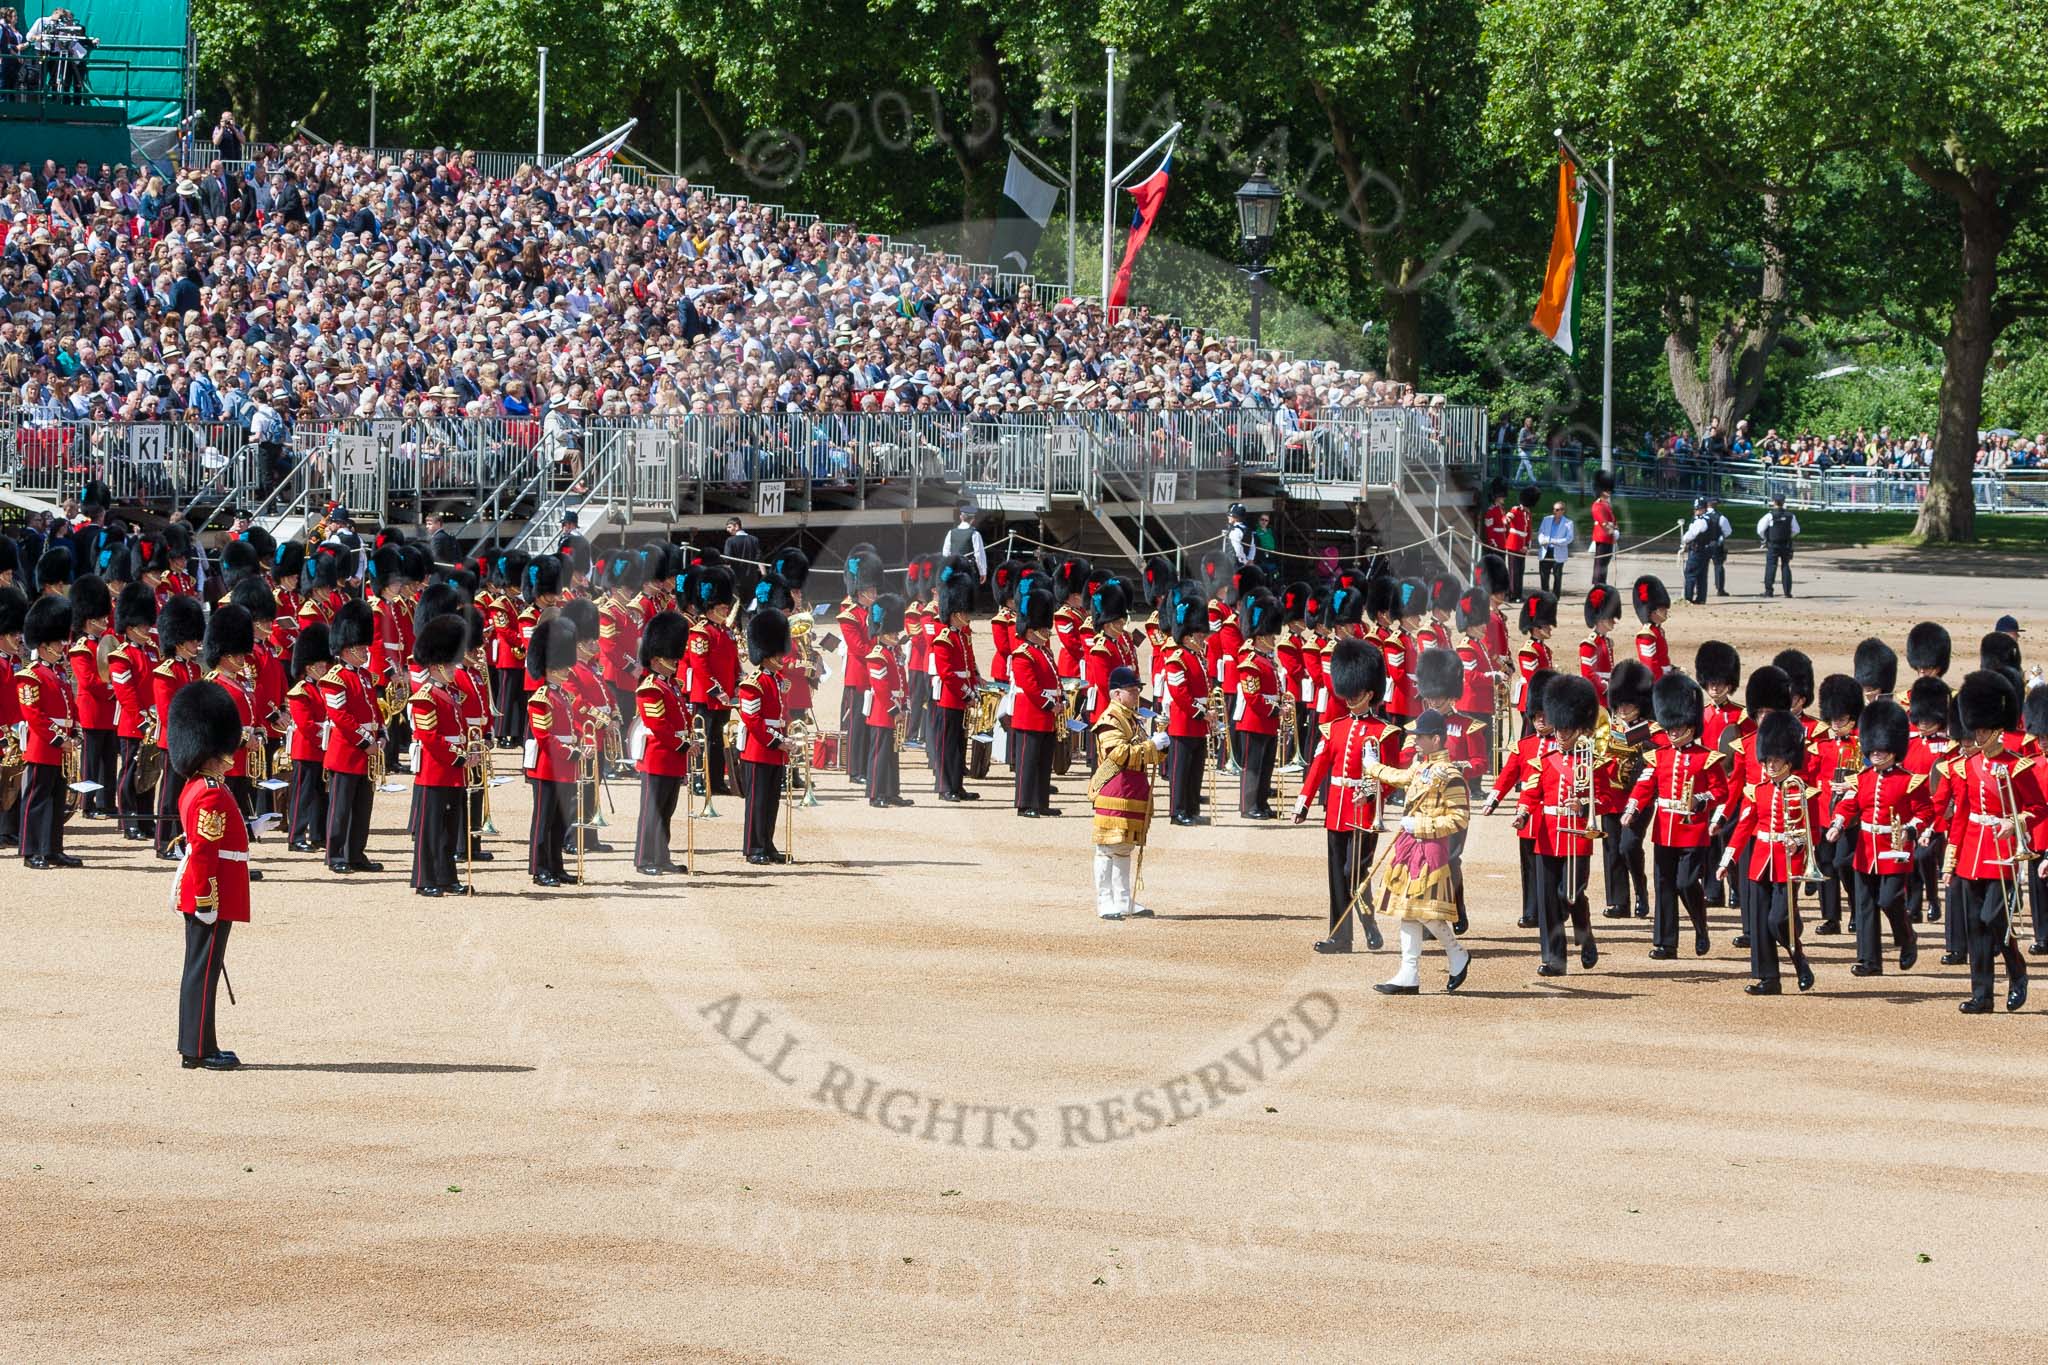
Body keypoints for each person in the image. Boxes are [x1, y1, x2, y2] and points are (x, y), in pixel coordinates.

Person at [1939, 671, 2038, 1013]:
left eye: (1982, 729)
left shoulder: (2018, 767)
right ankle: (1982, 995)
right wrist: (1950, 863)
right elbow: (1961, 818)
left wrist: (2016, 823)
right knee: (1975, 926)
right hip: (1970, 853)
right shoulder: (1963, 769)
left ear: (1997, 727)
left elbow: (2038, 808)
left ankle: (2016, 967)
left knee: (1995, 919)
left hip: (2003, 855)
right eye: (1974, 729)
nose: (1977, 735)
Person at [1297, 637, 1401, 954]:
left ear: (1369, 693)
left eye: (1355, 693)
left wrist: (1373, 791)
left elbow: (1391, 776)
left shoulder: (1384, 732)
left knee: (1353, 872)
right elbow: (1318, 767)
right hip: (1336, 810)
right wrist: (1303, 800)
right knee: (1337, 877)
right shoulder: (1334, 727)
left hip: (1365, 813)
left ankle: (1368, 924)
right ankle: (1340, 937)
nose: (1349, 698)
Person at [168, 679, 251, 1071]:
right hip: (212, 893)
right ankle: (198, 1049)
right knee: (202, 973)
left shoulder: (198, 785)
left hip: (212, 890)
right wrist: (206, 899)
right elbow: (203, 853)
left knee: (202, 971)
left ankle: (201, 1042)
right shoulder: (211, 791)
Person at [1362, 710, 1473, 994]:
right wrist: (1373, 766)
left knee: (1422, 911)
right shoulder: (1421, 767)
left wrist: (1420, 824)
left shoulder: (1450, 774)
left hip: (1430, 848)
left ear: (1435, 739)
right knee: (1408, 910)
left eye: (1420, 737)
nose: (1415, 742)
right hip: (1410, 846)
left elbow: (1459, 819)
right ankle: (1409, 973)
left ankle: (1456, 953)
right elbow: (1400, 777)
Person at [1624, 673, 1730, 958]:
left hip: (1693, 830)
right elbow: (1645, 785)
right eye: (1669, 727)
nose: (1671, 732)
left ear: (1690, 726)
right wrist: (1632, 808)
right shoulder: (1659, 756)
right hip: (1665, 828)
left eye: (1677, 727)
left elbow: (1722, 791)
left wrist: (1701, 799)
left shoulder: (1707, 758)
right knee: (1664, 885)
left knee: (1685, 883)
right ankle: (1665, 942)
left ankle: (1700, 926)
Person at [1719, 710, 1820, 995]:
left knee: (1778, 921)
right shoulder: (1757, 791)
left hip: (1788, 862)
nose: (1770, 765)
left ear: (1789, 760)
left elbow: (1813, 831)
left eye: (1775, 760)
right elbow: (1743, 827)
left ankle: (1799, 960)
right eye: (1767, 760)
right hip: (1761, 860)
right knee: (1760, 923)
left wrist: (1798, 844)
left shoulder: (1802, 791)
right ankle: (1768, 978)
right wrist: (1728, 859)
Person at [1518, 674, 1611, 975]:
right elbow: (1532, 792)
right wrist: (1522, 812)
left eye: (1566, 728)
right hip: (1547, 835)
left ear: (1580, 729)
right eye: (1558, 727)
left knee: (1570, 895)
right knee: (1548, 902)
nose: (1560, 733)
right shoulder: (1545, 760)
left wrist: (1584, 806)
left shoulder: (1592, 762)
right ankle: (1553, 959)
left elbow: (1607, 800)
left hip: (1576, 837)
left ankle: (1585, 935)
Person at [1825, 698, 1925, 976]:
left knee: (1889, 899)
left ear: (1893, 749)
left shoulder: (1909, 780)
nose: (1877, 754)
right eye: (1874, 749)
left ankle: (1907, 937)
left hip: (1894, 847)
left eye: (1882, 749)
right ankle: (1869, 960)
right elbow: (1850, 804)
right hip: (1866, 849)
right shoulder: (1863, 778)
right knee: (1866, 904)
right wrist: (1838, 823)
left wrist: (1911, 829)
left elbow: (1924, 811)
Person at [1089, 666, 1171, 921]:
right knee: (1107, 847)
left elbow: (1145, 755)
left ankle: (1123, 899)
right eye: (1132, 691)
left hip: (1132, 789)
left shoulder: (1132, 718)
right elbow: (1120, 754)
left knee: (1124, 847)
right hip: (1115, 789)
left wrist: (1160, 747)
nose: (1136, 695)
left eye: (1136, 691)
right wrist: (1150, 745)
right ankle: (1105, 901)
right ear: (1116, 694)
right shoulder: (1110, 720)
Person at [319, 601, 382, 875]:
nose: (366, 652)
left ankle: (356, 852)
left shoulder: (365, 676)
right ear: (346, 649)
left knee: (362, 808)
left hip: (366, 749)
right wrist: (366, 741)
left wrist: (382, 733)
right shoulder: (335, 678)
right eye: (361, 648)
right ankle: (335, 855)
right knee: (341, 809)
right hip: (347, 751)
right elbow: (340, 717)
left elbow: (374, 709)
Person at [16, 596, 78, 868]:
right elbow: (33, 714)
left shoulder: (60, 673)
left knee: (56, 801)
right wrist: (59, 739)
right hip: (44, 746)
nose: (61, 646)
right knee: (37, 800)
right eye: (56, 642)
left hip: (60, 747)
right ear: (42, 646)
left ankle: (53, 848)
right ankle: (31, 851)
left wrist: (73, 733)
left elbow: (69, 707)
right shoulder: (31, 675)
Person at [633, 611, 694, 876]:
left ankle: (661, 856)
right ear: (656, 660)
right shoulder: (651, 687)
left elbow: (682, 719)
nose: (675, 661)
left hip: (673, 757)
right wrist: (683, 745)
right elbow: (658, 724)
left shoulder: (673, 685)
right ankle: (645, 859)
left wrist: (688, 741)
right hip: (658, 757)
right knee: (652, 813)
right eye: (671, 657)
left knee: (666, 812)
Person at [523, 619, 583, 887]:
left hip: (565, 766)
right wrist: (571, 752)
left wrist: (580, 745)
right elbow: (545, 738)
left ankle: (556, 866)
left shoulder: (563, 696)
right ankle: (539, 868)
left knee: (560, 821)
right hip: (547, 766)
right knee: (543, 821)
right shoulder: (541, 699)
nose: (567, 669)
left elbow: (570, 729)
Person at [927, 561, 980, 801]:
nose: (968, 616)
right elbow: (947, 674)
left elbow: (969, 666)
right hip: (951, 698)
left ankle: (957, 785)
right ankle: (945, 787)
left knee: (959, 744)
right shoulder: (944, 638)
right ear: (956, 612)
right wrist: (967, 693)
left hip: (962, 697)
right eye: (965, 612)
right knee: (947, 745)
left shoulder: (961, 636)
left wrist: (975, 687)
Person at [1159, 582, 1210, 826]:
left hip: (1199, 722)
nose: (1202, 638)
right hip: (1184, 722)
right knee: (1181, 771)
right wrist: (1201, 713)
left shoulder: (1196, 657)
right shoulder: (1177, 658)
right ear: (1188, 636)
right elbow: (1179, 692)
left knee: (1195, 768)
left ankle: (1191, 808)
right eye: (1199, 634)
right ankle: (1177, 811)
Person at [1008, 581, 1060, 817]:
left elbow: (1054, 679)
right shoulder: (1022, 654)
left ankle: (1040, 802)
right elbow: (1030, 686)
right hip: (1031, 714)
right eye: (1043, 629)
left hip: (1047, 715)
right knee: (1028, 763)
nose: (1047, 633)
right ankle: (1024, 803)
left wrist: (1062, 699)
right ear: (1031, 630)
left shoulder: (1044, 651)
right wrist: (1050, 704)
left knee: (1042, 761)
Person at [1234, 591, 1283, 819]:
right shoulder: (1251, 662)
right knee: (1252, 768)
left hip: (1269, 721)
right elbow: (1253, 697)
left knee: (1265, 767)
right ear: (1261, 636)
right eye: (1271, 636)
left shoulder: (1267, 661)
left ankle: (1261, 803)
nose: (1274, 640)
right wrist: (1275, 709)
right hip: (1254, 721)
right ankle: (1248, 805)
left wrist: (1283, 702)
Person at [284, 623, 332, 854]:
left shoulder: (323, 688)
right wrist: (328, 736)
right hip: (307, 750)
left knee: (321, 795)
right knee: (302, 796)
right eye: (320, 665)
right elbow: (306, 725)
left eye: (324, 664)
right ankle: (296, 836)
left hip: (323, 750)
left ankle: (318, 834)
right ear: (308, 667)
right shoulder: (300, 690)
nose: (324, 668)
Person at [862, 593, 911, 808]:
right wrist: (894, 710)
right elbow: (880, 688)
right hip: (883, 711)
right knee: (880, 754)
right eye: (892, 631)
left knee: (892, 753)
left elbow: (903, 680)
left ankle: (891, 792)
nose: (896, 634)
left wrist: (906, 704)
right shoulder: (877, 655)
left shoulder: (894, 652)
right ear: (882, 632)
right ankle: (875, 794)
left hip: (897, 707)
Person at [1631, 575, 1672, 680]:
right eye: (1663, 608)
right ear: (1654, 611)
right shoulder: (1646, 635)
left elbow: (1662, 660)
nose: (1666, 611)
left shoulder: (1658, 631)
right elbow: (1650, 666)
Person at [1758, 494, 1799, 597]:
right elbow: (1796, 530)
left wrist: (1765, 538)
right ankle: (1787, 592)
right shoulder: (1790, 515)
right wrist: (1789, 535)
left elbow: (1760, 530)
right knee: (1785, 566)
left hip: (1773, 544)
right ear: (1784, 502)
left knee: (1771, 567)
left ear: (1774, 502)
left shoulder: (1769, 515)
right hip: (1786, 544)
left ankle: (1769, 591)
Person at [942, 502, 988, 583]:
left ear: (961, 517)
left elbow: (945, 553)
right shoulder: (975, 534)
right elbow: (979, 555)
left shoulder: (951, 532)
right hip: (967, 570)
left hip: (953, 569)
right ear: (973, 519)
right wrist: (983, 572)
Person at [1536, 500, 1574, 597]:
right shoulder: (1546, 519)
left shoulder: (1568, 523)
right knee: (1544, 575)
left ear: (1563, 511)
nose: (1557, 511)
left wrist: (1554, 541)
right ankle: (1544, 595)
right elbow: (1541, 532)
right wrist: (1542, 541)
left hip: (1558, 552)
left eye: (1559, 509)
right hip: (1546, 550)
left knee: (1557, 576)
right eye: (1555, 509)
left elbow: (1569, 538)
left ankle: (1555, 597)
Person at [1679, 499, 1714, 605]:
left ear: (1703, 509)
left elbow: (1692, 534)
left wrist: (1683, 540)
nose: (1695, 511)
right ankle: (1701, 598)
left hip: (1697, 550)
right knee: (1701, 575)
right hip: (1703, 550)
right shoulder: (1703, 519)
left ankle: (1688, 598)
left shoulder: (1701, 521)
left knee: (1690, 573)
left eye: (1697, 509)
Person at [1506, 486, 1537, 600]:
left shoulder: (1528, 514)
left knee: (1520, 571)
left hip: (1522, 546)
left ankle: (1518, 593)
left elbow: (1528, 531)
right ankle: (1512, 595)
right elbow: (1509, 517)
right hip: (1514, 544)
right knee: (1514, 571)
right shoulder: (1516, 509)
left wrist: (1527, 546)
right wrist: (1507, 519)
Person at [1588, 473, 1618, 586]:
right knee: (1600, 564)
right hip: (1603, 537)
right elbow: (1604, 523)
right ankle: (1597, 584)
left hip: (1609, 538)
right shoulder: (1597, 505)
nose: (1609, 492)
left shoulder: (1606, 505)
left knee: (1604, 564)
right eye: (1607, 490)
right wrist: (1612, 532)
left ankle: (1601, 583)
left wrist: (1616, 530)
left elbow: (1613, 520)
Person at [1705, 496, 1732, 595]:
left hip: (1703, 544)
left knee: (1701, 567)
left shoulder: (1702, 515)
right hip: (1716, 544)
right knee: (1718, 566)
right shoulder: (1721, 517)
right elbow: (1728, 531)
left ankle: (1699, 588)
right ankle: (1720, 589)